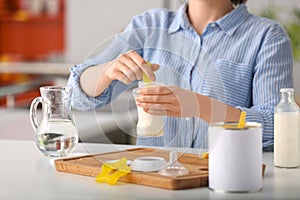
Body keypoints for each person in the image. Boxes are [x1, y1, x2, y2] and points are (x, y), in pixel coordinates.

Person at [68, 0, 293, 151]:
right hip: (153, 179)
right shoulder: (149, 25)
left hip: (225, 180)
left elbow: (279, 128)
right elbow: (75, 96)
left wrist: (201, 106)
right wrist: (107, 71)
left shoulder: (267, 37)